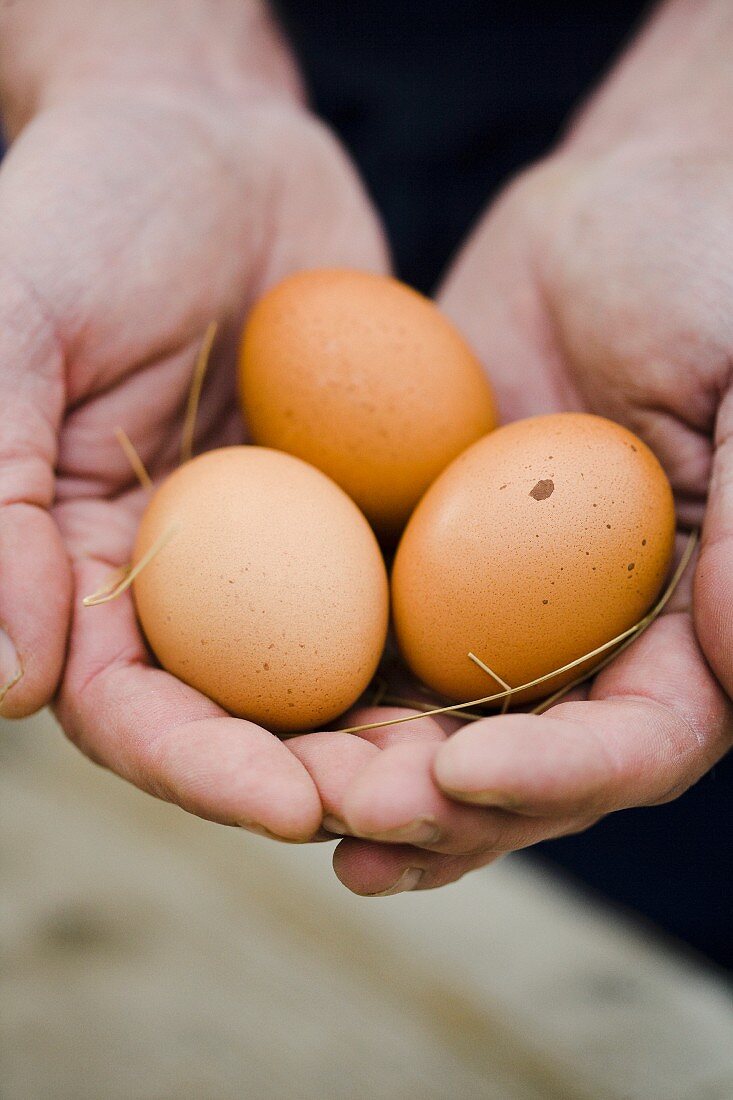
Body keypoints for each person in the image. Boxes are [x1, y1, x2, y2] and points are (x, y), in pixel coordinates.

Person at [0, 1, 730, 961]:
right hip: (225, 176)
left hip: (628, 183)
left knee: (640, 874)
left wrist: (698, 128)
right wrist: (143, 69)